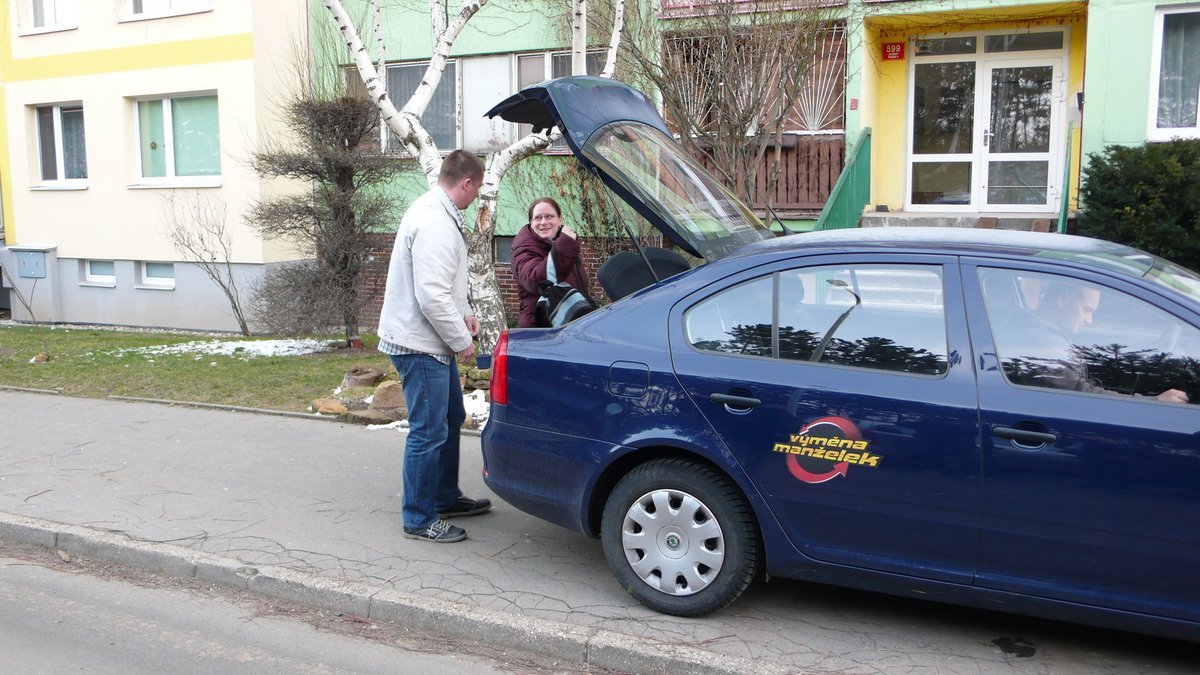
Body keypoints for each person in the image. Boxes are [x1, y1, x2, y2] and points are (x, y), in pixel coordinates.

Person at [377, 150, 492, 543]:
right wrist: (463, 342)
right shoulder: (434, 221)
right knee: (428, 430)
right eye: (477, 189)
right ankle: (419, 517)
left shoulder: (436, 211)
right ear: (466, 183)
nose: (477, 196)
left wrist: (464, 316)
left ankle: (443, 496)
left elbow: (442, 287)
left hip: (428, 338)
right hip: (419, 344)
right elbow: (430, 296)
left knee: (449, 416)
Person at [1015, 281, 1188, 403]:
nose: (1089, 320)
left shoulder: (1052, 335)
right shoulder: (1040, 343)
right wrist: (1153, 402)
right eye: (1086, 310)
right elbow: (1079, 395)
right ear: (1063, 299)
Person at [511, 197, 591, 328]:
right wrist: (565, 247)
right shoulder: (524, 248)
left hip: (568, 321)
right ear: (531, 222)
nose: (543, 222)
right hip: (541, 329)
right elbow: (535, 280)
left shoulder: (561, 241)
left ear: (560, 219)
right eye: (537, 218)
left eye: (549, 216)